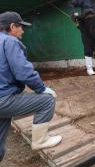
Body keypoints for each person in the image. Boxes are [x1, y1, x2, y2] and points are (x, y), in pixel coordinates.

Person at [0, 12, 62, 161]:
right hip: (3, 99)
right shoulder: (9, 41)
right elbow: (23, 72)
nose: (23, 30)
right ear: (12, 26)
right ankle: (40, 141)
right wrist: (41, 88)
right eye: (21, 26)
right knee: (47, 100)